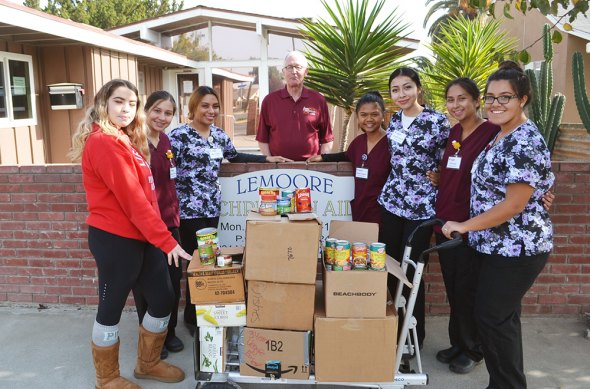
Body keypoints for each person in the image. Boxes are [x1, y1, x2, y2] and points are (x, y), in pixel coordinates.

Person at [69, 79, 191, 388]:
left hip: (142, 235)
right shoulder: (103, 142)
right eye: (119, 101)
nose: (126, 108)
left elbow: (145, 196)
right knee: (110, 309)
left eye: (132, 103)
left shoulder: (123, 138)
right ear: (104, 104)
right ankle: (106, 377)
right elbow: (132, 199)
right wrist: (166, 240)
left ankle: (147, 363)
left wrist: (157, 236)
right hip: (115, 240)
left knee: (163, 298)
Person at [442, 61, 554, 389]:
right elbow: (536, 178)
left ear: (523, 99)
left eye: (505, 97)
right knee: (501, 319)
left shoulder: (523, 139)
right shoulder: (503, 134)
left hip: (517, 247)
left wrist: (464, 225)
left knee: (492, 317)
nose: (495, 104)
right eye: (490, 97)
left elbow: (514, 204)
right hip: (496, 245)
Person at [169, 86, 291, 332]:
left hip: (211, 209)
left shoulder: (218, 136)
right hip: (187, 211)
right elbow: (166, 170)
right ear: (193, 107)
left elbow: (235, 157)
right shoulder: (179, 135)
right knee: (194, 263)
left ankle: (197, 315)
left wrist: (267, 159)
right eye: (205, 105)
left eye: (215, 106)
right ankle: (188, 319)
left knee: (206, 261)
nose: (211, 111)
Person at [378, 67, 450, 349]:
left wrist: (441, 175)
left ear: (418, 88)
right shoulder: (394, 119)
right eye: (395, 90)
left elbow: (451, 159)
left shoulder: (436, 121)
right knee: (391, 265)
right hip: (393, 202)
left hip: (421, 206)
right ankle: (391, 331)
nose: (401, 94)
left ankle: (413, 337)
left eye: (407, 87)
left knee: (412, 270)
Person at [131, 91, 183, 360]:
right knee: (148, 287)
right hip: (145, 229)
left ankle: (169, 331)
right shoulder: (134, 142)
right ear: (146, 110)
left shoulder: (166, 141)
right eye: (157, 111)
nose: (162, 117)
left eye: (168, 113)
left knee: (173, 283)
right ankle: (152, 339)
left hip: (170, 224)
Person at [307, 91, 390, 227]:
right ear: (357, 117)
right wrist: (323, 157)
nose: (369, 119)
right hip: (360, 210)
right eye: (363, 115)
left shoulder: (391, 144)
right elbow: (346, 155)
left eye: (374, 114)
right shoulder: (358, 143)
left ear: (382, 116)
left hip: (384, 214)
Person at [256, 50, 334, 161]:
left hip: (310, 171)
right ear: (283, 72)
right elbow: (262, 138)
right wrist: (270, 161)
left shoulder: (318, 100)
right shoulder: (270, 101)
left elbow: (327, 139)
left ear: (306, 71)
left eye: (298, 67)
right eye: (289, 67)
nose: (294, 71)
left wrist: (320, 162)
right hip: (278, 169)